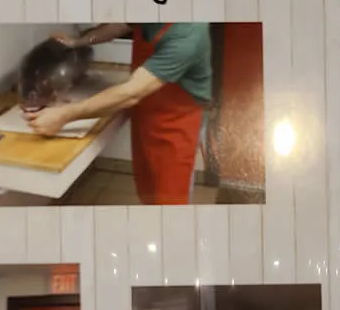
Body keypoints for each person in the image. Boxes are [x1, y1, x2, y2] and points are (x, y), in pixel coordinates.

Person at [24, 23, 212, 205]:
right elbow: (119, 26)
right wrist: (78, 41)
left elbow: (131, 92)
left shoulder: (188, 33)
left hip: (178, 125)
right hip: (146, 114)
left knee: (171, 200)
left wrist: (63, 115)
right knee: (148, 190)